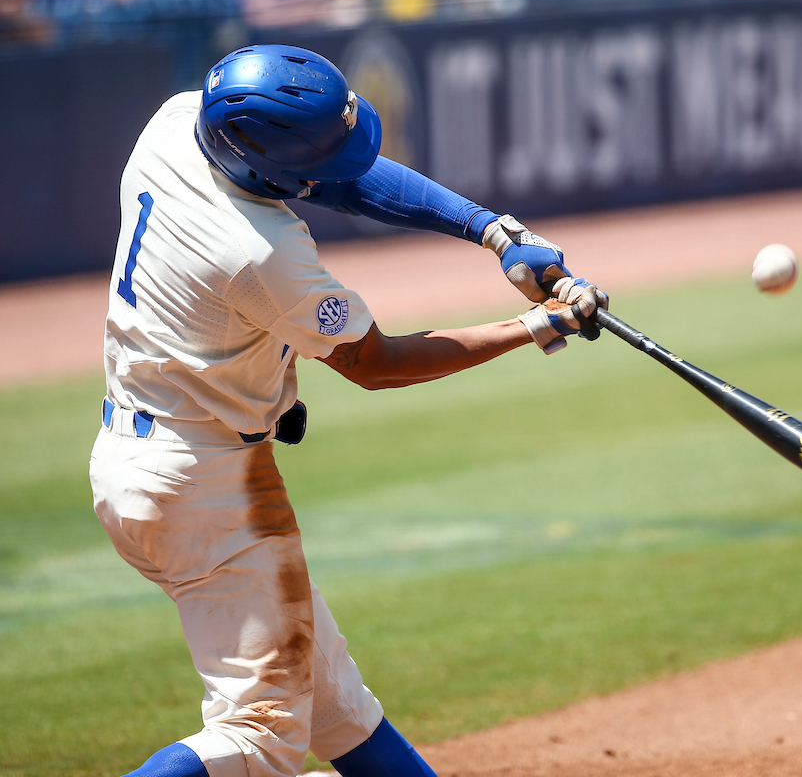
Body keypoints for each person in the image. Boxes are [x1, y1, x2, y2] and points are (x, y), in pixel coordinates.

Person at [89, 43, 607, 777]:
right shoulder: (260, 253)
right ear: (269, 168)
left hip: (140, 459)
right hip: (205, 490)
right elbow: (377, 363)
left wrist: (493, 231)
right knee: (261, 736)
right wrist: (537, 326)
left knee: (336, 710)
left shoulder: (178, 124)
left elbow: (339, 180)